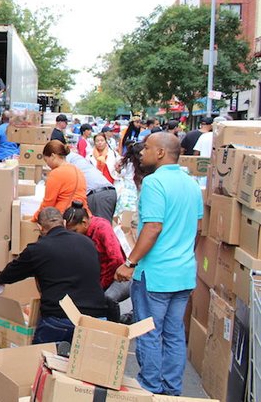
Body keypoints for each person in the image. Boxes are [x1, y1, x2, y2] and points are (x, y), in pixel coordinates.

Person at [114, 132, 202, 396]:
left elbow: (152, 228)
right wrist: (183, 254)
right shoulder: (191, 184)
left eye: (148, 148)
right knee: (174, 333)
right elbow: (197, 229)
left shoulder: (154, 183)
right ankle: (172, 390)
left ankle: (151, 387)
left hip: (156, 275)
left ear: (161, 153)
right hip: (183, 273)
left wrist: (130, 261)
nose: (142, 152)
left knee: (149, 332)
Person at [0, 207, 107, 344]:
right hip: (96, 319)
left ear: (39, 227)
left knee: (40, 359)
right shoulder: (87, 243)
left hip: (60, 318)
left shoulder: (38, 249)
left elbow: (11, 273)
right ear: (64, 223)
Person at [63, 201, 129, 322]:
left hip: (119, 276)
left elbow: (116, 260)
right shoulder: (81, 235)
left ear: (84, 222)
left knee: (107, 298)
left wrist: (100, 285)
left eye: (74, 231)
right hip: (98, 277)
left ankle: (114, 329)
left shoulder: (102, 228)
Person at [34, 140, 90, 220]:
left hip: (64, 218)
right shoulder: (77, 170)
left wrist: (33, 219)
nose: (47, 164)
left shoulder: (56, 173)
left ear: (53, 156)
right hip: (82, 217)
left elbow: (48, 204)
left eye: (46, 160)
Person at [65, 150, 117, 222]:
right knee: (103, 225)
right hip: (109, 191)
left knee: (101, 227)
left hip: (97, 195)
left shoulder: (66, 162)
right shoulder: (76, 157)